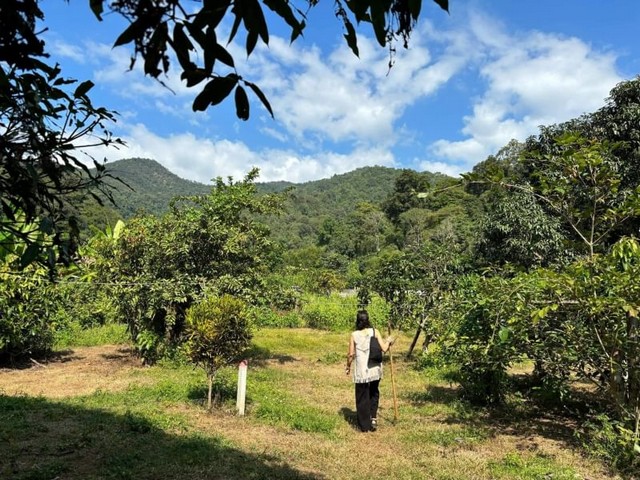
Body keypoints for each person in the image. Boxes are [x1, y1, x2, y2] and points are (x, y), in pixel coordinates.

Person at [345, 310, 394, 432]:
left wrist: (348, 366)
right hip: (374, 369)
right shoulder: (374, 332)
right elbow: (383, 348)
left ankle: (364, 425)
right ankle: (373, 418)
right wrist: (389, 341)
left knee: (362, 395)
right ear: (368, 320)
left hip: (362, 371)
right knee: (373, 393)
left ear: (357, 321)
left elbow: (351, 354)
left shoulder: (354, 335)